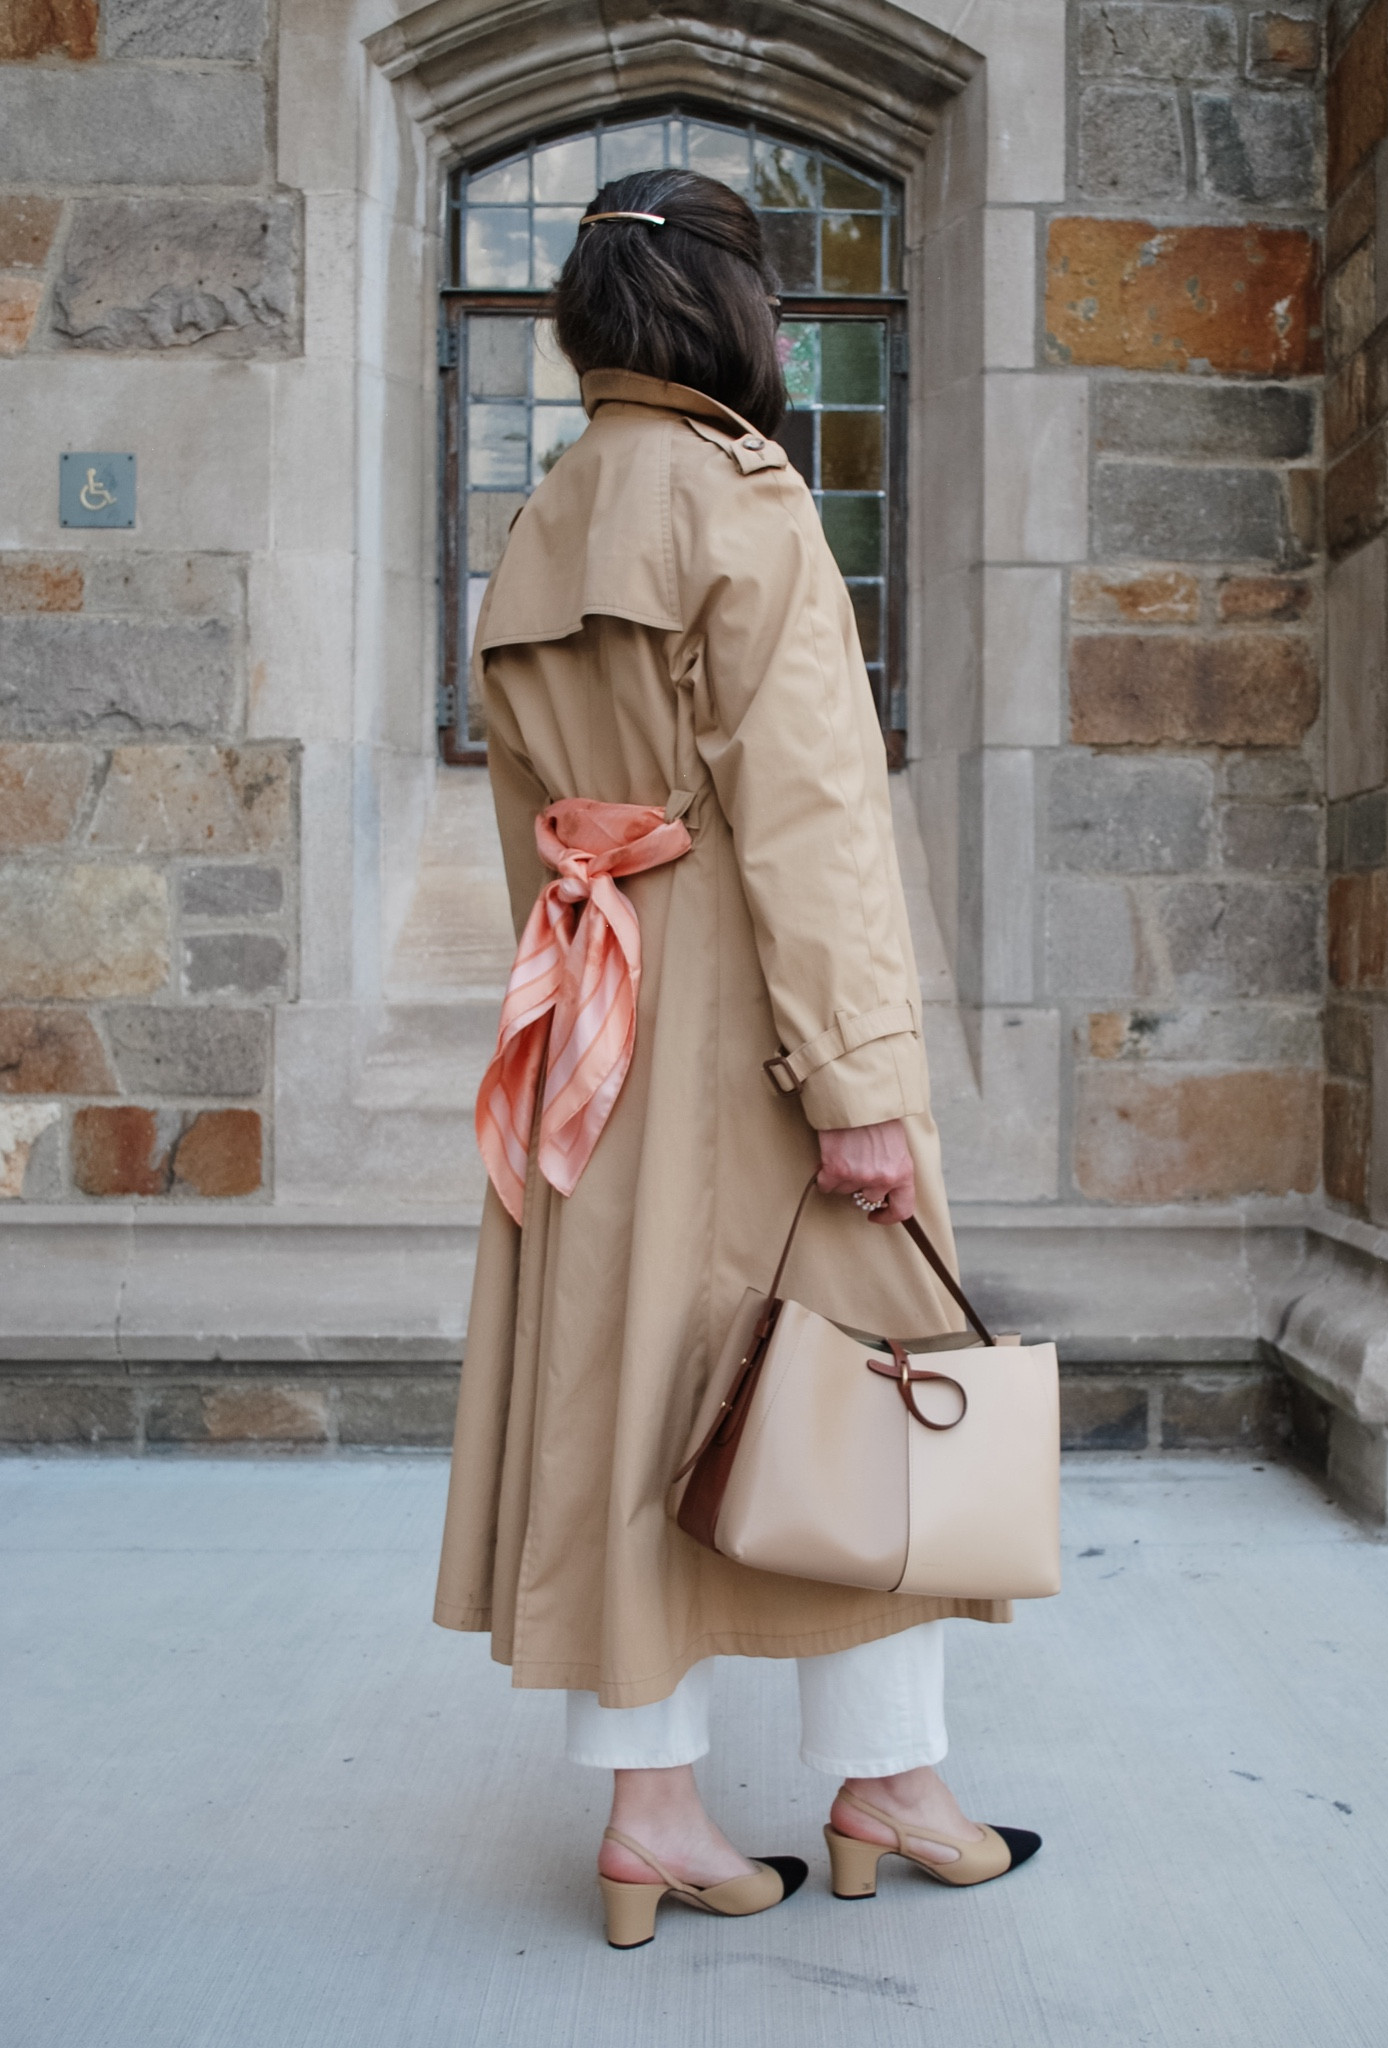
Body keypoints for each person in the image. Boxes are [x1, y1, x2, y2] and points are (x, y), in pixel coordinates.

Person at [434, 164, 1039, 1950]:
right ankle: (891, 1779)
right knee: (877, 1383)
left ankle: (654, 1820)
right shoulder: (742, 500)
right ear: (740, 313)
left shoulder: (550, 508)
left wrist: (593, 956)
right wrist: (857, 1086)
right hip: (761, 1028)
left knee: (625, 1395)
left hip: (596, 1009)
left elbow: (540, 823)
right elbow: (814, 823)